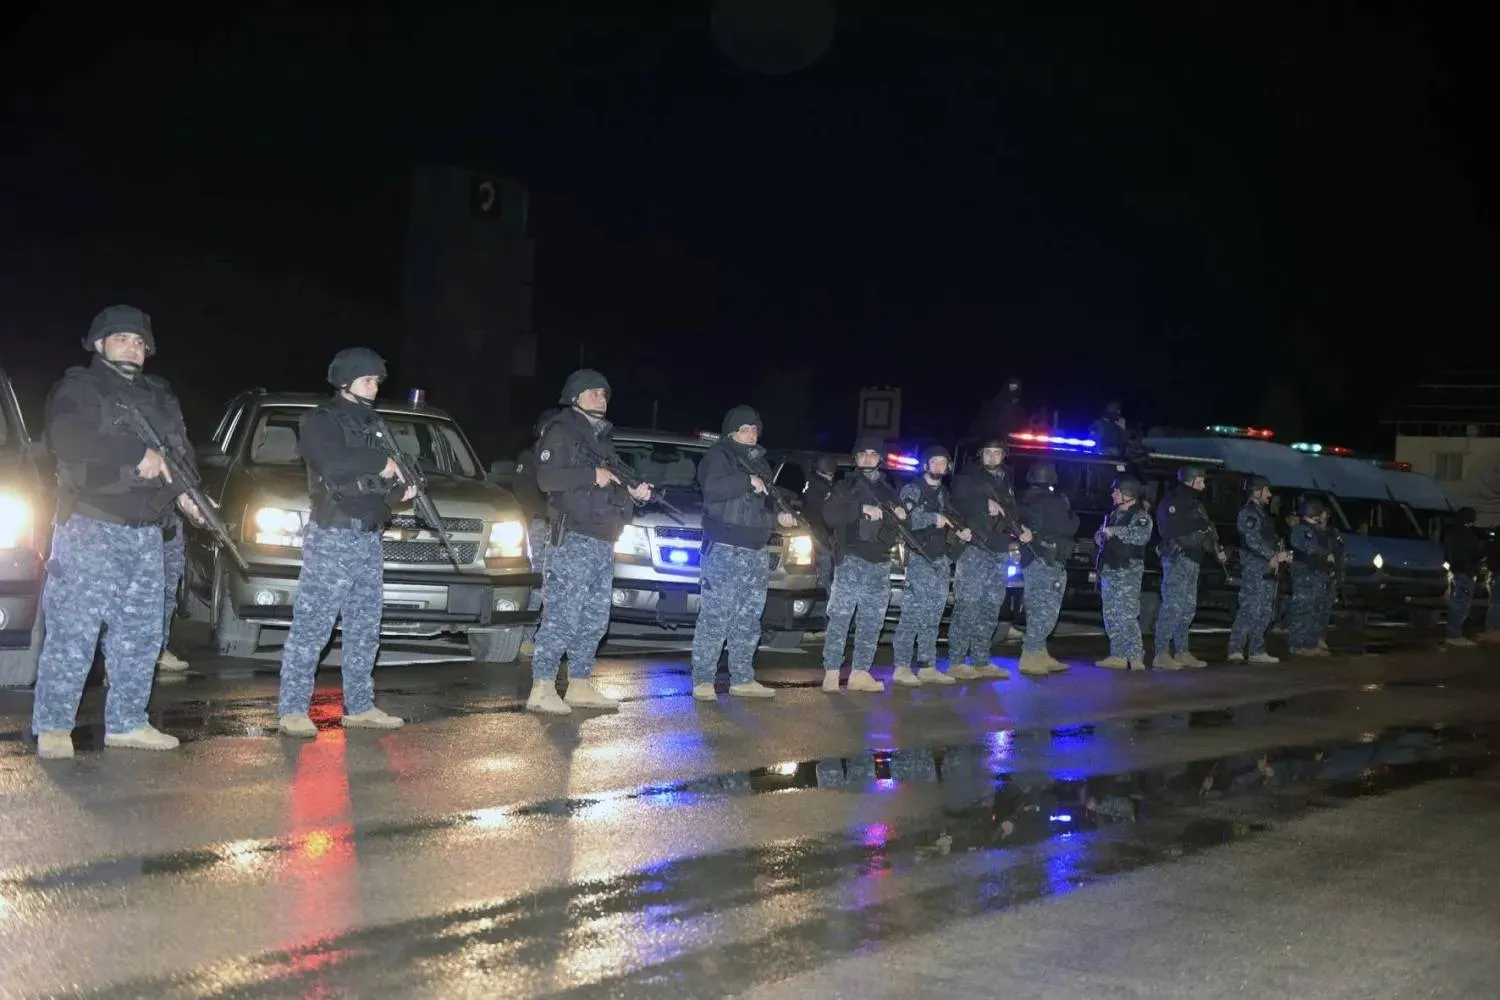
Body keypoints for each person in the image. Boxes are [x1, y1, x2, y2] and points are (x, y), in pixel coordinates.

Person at [32, 305, 204, 758]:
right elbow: (64, 439)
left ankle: (127, 722)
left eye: (140, 342)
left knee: (141, 633)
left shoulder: (160, 395)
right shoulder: (79, 387)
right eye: (123, 338)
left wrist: (188, 496)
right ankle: (53, 727)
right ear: (99, 343)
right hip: (92, 525)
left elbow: (177, 454)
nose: (133, 347)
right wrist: (132, 452)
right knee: (74, 630)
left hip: (148, 532)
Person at [277, 348, 412, 737]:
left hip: (368, 537)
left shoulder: (376, 425)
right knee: (313, 626)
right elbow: (332, 464)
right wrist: (380, 463)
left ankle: (360, 705)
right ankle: (292, 710)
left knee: (365, 627)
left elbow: (385, 484)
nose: (374, 386)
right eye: (367, 379)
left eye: (376, 380)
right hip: (333, 535)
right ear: (345, 381)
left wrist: (398, 493)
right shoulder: (321, 420)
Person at [529, 369, 654, 714]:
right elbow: (546, 478)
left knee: (595, 617)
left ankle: (580, 683)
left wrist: (632, 490)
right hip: (573, 538)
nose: (600, 398)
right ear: (574, 397)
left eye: (603, 393)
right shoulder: (562, 430)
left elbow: (610, 477)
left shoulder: (601, 438)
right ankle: (542, 686)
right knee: (562, 615)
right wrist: (591, 475)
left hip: (602, 539)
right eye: (592, 392)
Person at [690, 405, 796, 701]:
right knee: (715, 616)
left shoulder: (760, 463)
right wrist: (745, 481)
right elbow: (712, 489)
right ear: (731, 431)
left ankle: (743, 677)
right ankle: (702, 680)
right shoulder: (718, 457)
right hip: (724, 548)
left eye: (754, 429)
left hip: (755, 550)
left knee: (749, 618)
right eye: (744, 429)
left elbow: (765, 506)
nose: (750, 435)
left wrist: (780, 519)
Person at [819, 437, 905, 693]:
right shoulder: (845, 487)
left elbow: (899, 526)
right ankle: (832, 672)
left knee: (872, 620)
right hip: (852, 560)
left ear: (881, 458)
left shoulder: (889, 490)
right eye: (863, 454)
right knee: (841, 617)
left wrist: (901, 515)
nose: (868, 458)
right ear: (855, 459)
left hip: (879, 562)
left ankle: (860, 672)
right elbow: (829, 515)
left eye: (873, 454)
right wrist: (860, 508)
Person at [891, 445, 975, 685]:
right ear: (926, 465)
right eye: (934, 462)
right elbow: (902, 518)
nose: (938, 467)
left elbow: (950, 520)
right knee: (912, 614)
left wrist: (961, 534)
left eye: (943, 463)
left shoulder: (943, 493)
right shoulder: (913, 488)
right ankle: (901, 666)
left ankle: (927, 665)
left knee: (933, 615)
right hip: (920, 558)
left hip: (939, 560)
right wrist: (932, 518)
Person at [947, 439, 1017, 678]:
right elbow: (955, 503)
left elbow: (1012, 510)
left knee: (991, 606)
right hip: (975, 548)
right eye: (988, 453)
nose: (992, 457)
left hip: (998, 550)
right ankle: (956, 661)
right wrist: (982, 503)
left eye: (997, 453)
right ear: (981, 455)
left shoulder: (1007, 480)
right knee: (967, 604)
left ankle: (981, 659)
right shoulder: (968, 477)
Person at [1154, 465, 1224, 668]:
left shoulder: (1195, 503)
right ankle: (1161, 653)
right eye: (1201, 480)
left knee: (1187, 608)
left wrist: (1215, 548)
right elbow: (1170, 528)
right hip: (1178, 558)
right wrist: (1198, 526)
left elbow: (1207, 529)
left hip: (1194, 559)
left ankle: (1182, 650)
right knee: (1172, 606)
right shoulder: (1173, 500)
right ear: (1191, 480)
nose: (1204, 484)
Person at [1016, 461, 1077, 675]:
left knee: (1037, 609)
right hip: (1048, 560)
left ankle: (1039, 653)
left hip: (1035, 560)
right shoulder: (1054, 502)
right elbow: (1069, 526)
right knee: (1045, 611)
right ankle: (1029, 655)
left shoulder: (1024, 500)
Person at [1226, 475, 1291, 664]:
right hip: (1255, 567)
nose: (1269, 495)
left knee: (1264, 610)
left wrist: (1279, 554)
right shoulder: (1249, 513)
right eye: (1266, 490)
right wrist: (1272, 556)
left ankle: (1256, 649)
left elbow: (1268, 538)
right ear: (1256, 491)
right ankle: (1235, 648)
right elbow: (1252, 540)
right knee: (1249, 608)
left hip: (1267, 567)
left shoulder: (1262, 513)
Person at [1094, 476, 1154, 670]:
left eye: (1117, 491)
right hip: (1110, 568)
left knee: (1127, 614)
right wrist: (1101, 535)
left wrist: (1114, 531)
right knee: (1110, 613)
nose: (1114, 494)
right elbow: (1099, 535)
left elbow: (1140, 536)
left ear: (1129, 494)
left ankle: (1135, 656)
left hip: (1128, 570)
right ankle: (1118, 655)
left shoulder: (1141, 516)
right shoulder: (1114, 514)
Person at [512, 412, 554, 657]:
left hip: (560, 527)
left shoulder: (564, 458)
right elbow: (523, 491)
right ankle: (527, 637)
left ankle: (547, 639)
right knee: (538, 583)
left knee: (556, 586)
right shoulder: (530, 456)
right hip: (538, 525)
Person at [1287, 496, 1337, 656]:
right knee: (1302, 610)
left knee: (1315, 610)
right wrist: (1325, 554)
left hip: (1318, 574)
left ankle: (1310, 644)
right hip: (1305, 574)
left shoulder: (1317, 529)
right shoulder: (1301, 529)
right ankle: (1298, 644)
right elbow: (1308, 547)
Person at [1442, 507, 1482, 648]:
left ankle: (1454, 632)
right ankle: (1454, 634)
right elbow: (1473, 553)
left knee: (1458, 602)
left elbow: (1448, 554)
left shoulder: (1454, 533)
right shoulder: (1465, 535)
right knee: (1461, 603)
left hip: (1459, 571)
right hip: (1464, 571)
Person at [156, 505, 190, 673]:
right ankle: (113, 659)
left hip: (170, 520)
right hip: (138, 518)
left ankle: (159, 650)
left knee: (167, 592)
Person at [802, 453, 839, 589]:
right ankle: (823, 595)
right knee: (825, 568)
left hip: (814, 531)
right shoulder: (822, 488)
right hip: (821, 534)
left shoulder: (812, 483)